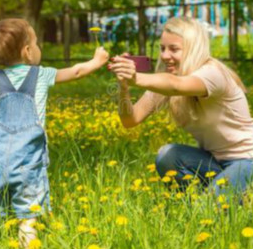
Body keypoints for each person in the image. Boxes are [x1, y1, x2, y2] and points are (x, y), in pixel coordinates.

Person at [0, 18, 109, 247]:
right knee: (28, 218)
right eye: (36, 43)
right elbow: (75, 72)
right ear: (27, 51)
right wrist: (97, 61)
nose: (38, 48)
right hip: (29, 162)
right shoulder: (42, 75)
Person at [108, 16, 253, 203]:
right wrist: (124, 89)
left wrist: (136, 78)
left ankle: (222, 200)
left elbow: (176, 86)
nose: (165, 55)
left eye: (174, 49)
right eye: (162, 48)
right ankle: (203, 201)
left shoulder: (212, 73)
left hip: (247, 160)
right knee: (167, 156)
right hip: (215, 161)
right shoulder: (169, 79)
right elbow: (130, 120)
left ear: (193, 49)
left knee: (207, 211)